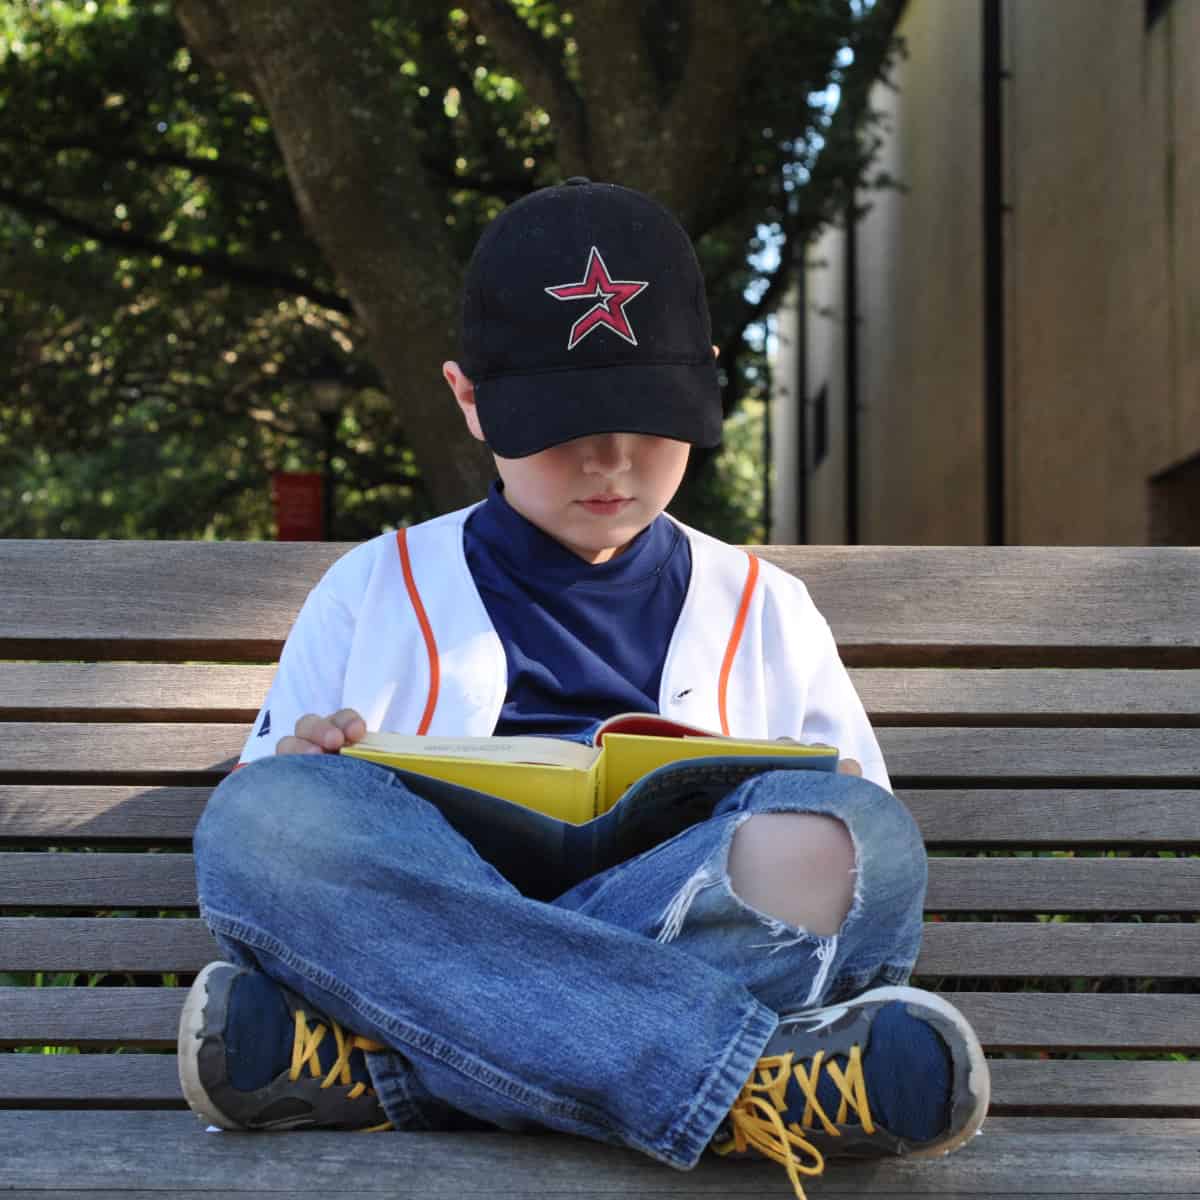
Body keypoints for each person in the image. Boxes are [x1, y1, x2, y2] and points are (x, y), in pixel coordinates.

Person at [178, 178, 989, 1200]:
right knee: (269, 821)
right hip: (448, 915)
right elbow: (274, 858)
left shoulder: (762, 605)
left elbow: (850, 853)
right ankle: (742, 1088)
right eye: (565, 424)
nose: (611, 462)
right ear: (469, 397)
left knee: (856, 841)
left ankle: (399, 1077)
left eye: (648, 418)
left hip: (513, 952)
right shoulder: (374, 587)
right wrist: (312, 763)